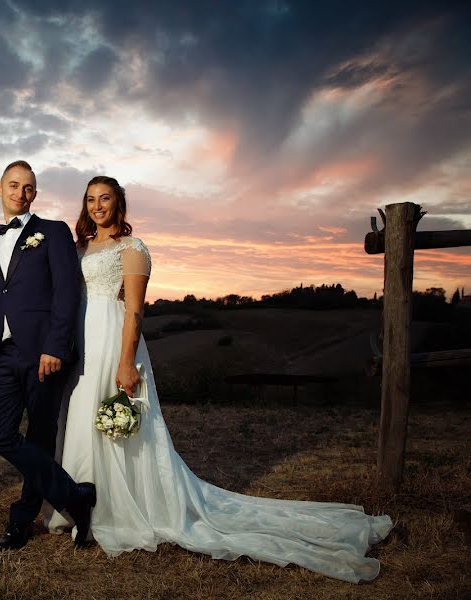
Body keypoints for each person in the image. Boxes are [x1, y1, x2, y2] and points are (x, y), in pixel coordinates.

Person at [45, 175, 393, 583]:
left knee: (118, 424)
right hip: (81, 344)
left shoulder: (132, 248)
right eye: (90, 199)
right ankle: (80, 501)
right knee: (83, 418)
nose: (97, 206)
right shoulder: (78, 247)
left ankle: (120, 507)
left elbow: (135, 311)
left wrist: (126, 362)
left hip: (113, 340)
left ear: (119, 204)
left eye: (105, 199)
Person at [0, 160, 97, 551]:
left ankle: (20, 522)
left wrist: (56, 346)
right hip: (5, 353)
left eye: (28, 187)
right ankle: (75, 496)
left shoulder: (52, 232)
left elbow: (67, 292)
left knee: (39, 438)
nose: (21, 192)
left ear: (35, 193)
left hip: (45, 353)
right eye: (13, 185)